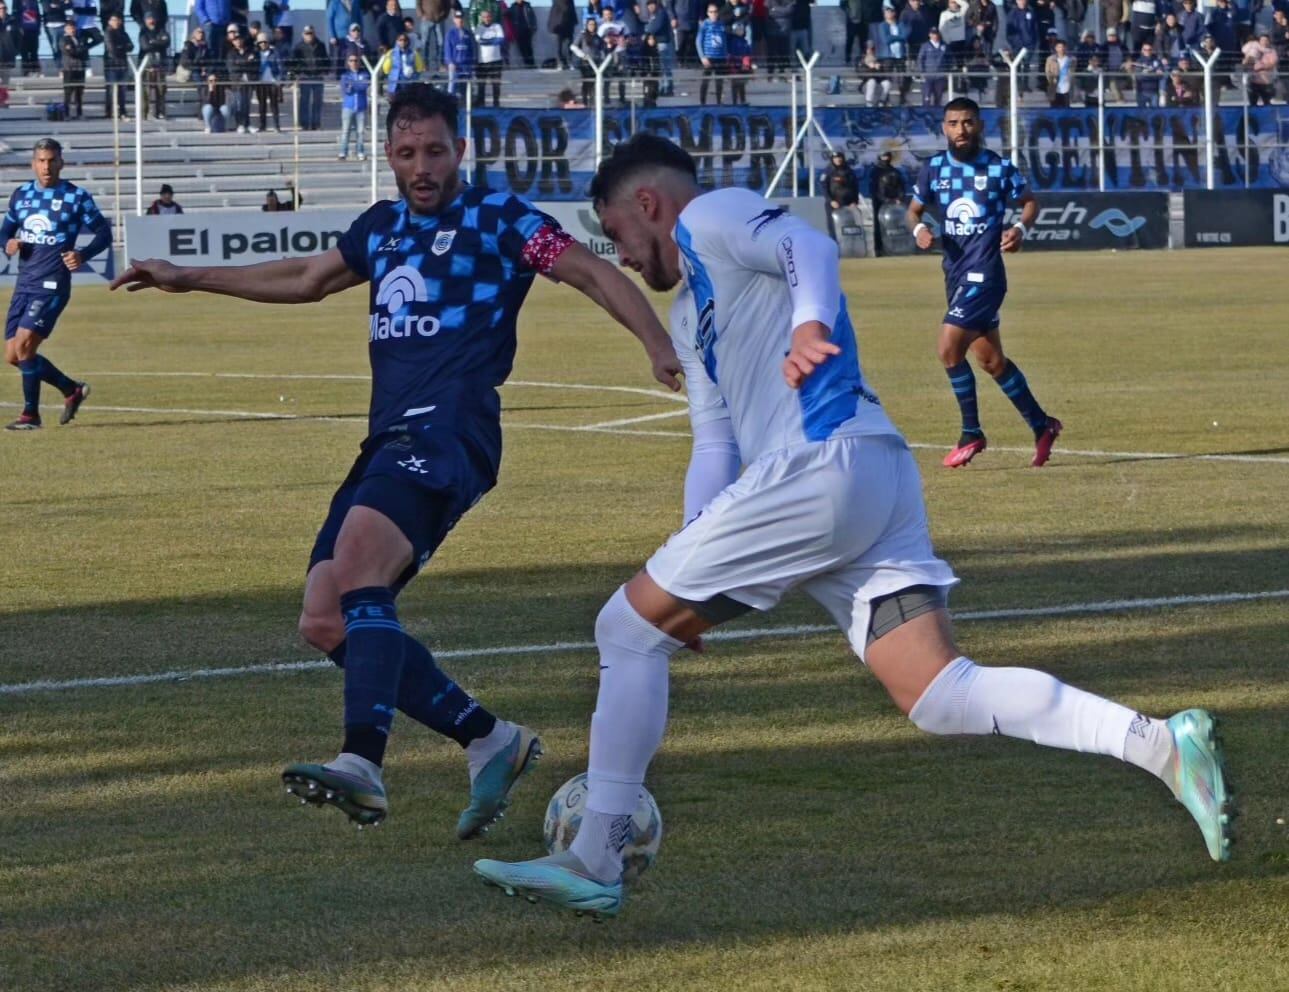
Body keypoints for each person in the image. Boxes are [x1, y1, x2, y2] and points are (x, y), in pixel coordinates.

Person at [471, 132, 1235, 917]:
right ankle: (1158, 744)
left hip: (817, 464)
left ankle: (596, 853)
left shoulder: (710, 217)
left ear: (647, 204)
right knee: (939, 694)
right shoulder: (688, 309)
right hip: (867, 478)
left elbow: (805, 242)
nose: (624, 256)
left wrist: (808, 326)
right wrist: (688, 583)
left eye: (620, 238)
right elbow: (715, 445)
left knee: (621, 630)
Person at [110, 85, 683, 838]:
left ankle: (362, 763)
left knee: (357, 571)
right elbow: (309, 280)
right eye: (407, 152)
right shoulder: (380, 228)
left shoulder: (500, 219)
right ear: (387, 154)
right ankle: (489, 739)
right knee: (323, 618)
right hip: (389, 438)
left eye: (436, 151)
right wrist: (190, 278)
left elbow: (591, 272)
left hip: (450, 431)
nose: (422, 167)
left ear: (461, 152)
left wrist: (655, 341)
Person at [904, 98, 1061, 469]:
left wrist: (1020, 228)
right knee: (991, 361)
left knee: (948, 348)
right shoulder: (932, 170)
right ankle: (1043, 425)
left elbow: (1029, 203)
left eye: (968, 122)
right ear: (944, 127)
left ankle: (971, 432)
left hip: (986, 275)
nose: (961, 130)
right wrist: (919, 228)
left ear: (979, 125)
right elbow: (913, 211)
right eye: (954, 123)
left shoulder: (998, 168)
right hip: (955, 274)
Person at [1, 139, 107, 431]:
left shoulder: (76, 197)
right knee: (14, 355)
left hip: (53, 283)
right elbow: (5, 231)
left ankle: (30, 415)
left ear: (61, 162)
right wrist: (7, 243)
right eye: (41, 161)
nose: (46, 166)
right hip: (24, 282)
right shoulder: (21, 195)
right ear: (33, 163)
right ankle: (71, 389)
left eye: (51, 160)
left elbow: (104, 233)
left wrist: (82, 254)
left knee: (24, 345)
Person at [290, 23, 327, 129]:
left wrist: (325, 71)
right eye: (307, 33)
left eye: (311, 33)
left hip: (318, 76)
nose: (309, 35)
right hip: (305, 76)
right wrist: (293, 77)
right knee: (304, 101)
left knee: (317, 101)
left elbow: (326, 60)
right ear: (303, 34)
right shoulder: (298, 47)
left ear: (314, 33)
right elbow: (292, 63)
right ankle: (304, 124)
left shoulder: (321, 45)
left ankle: (316, 124)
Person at [137, 11, 169, 118]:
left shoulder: (161, 30)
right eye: (149, 19)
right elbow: (145, 46)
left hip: (160, 65)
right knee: (145, 91)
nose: (151, 21)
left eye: (152, 18)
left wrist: (153, 42)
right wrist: (158, 42)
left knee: (161, 90)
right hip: (146, 66)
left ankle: (160, 112)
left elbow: (167, 42)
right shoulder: (143, 32)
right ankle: (144, 113)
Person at [338, 51, 369, 159]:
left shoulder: (364, 74)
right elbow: (346, 90)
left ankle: (360, 151)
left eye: (356, 60)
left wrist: (353, 84)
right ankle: (343, 152)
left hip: (361, 107)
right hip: (348, 107)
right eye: (351, 60)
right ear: (348, 62)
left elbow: (364, 86)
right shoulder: (345, 75)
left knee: (360, 132)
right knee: (345, 131)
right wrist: (356, 85)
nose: (354, 62)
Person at [102, 12, 132, 118]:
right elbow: (112, 49)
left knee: (123, 90)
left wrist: (121, 47)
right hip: (111, 64)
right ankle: (109, 111)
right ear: (110, 22)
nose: (115, 22)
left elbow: (131, 46)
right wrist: (122, 47)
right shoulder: (108, 32)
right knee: (111, 89)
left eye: (117, 20)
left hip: (123, 64)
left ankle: (122, 111)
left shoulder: (123, 33)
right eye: (113, 20)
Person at [696, 1, 726, 104]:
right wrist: (702, 57)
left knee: (719, 81)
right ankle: (702, 102)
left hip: (720, 57)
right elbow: (698, 41)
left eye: (715, 12)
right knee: (705, 81)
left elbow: (724, 40)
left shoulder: (721, 24)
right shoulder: (705, 25)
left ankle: (719, 102)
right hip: (709, 57)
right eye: (711, 12)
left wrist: (726, 54)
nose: (713, 14)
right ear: (708, 13)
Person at [571, 14, 605, 104]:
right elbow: (573, 46)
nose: (592, 26)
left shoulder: (598, 37)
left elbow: (602, 49)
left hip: (596, 63)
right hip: (586, 63)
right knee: (586, 82)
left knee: (594, 83)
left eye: (593, 24)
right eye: (590, 24)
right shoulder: (582, 35)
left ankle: (593, 101)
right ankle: (585, 101)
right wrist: (582, 55)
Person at [473, 5, 503, 106]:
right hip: (482, 61)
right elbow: (479, 41)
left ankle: (496, 104)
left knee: (496, 85)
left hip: (496, 60)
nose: (487, 18)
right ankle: (482, 104)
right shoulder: (479, 28)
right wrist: (492, 40)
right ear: (481, 18)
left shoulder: (497, 26)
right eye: (484, 17)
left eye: (488, 16)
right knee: (481, 85)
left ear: (491, 17)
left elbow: (500, 40)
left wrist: (487, 41)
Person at [443, 9, 475, 102]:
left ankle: (465, 105)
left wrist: (471, 63)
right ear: (454, 20)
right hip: (455, 66)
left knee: (466, 88)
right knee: (452, 86)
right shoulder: (450, 34)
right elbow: (447, 49)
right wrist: (450, 62)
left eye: (461, 18)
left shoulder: (468, 34)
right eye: (457, 18)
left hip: (466, 65)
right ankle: (449, 104)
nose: (459, 20)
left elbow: (471, 49)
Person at [254, 32, 283, 130]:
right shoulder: (256, 54)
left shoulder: (274, 53)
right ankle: (262, 125)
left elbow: (280, 67)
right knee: (262, 105)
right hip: (261, 82)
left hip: (272, 82)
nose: (263, 44)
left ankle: (276, 125)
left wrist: (279, 80)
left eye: (265, 42)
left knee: (274, 104)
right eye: (260, 42)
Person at [380, 30, 424, 95]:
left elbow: (420, 68)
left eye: (405, 40)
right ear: (397, 41)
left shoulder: (414, 53)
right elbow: (386, 69)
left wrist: (414, 77)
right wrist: (393, 75)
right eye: (400, 40)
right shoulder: (391, 53)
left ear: (408, 42)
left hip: (409, 83)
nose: (402, 42)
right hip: (395, 84)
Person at [59, 20, 87, 118]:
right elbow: (70, 52)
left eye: (73, 28)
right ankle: (66, 113)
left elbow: (84, 50)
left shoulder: (80, 38)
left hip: (80, 68)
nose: (71, 30)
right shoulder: (63, 40)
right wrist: (79, 50)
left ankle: (79, 113)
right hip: (69, 69)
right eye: (69, 28)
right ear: (65, 29)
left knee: (79, 92)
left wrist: (78, 50)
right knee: (68, 92)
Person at [1045, 37, 1073, 105]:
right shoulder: (1050, 59)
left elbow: (1073, 72)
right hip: (1054, 88)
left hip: (1066, 89)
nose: (1062, 49)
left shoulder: (1071, 59)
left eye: (1063, 47)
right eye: (1059, 47)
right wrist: (1052, 80)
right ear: (1056, 48)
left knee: (1066, 110)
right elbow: (1047, 72)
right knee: (1054, 109)